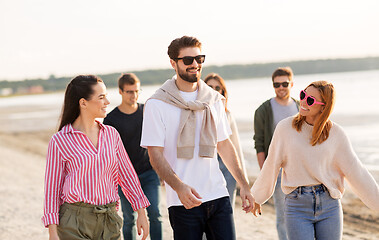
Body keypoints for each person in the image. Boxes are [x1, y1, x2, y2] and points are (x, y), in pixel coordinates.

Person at [140, 36, 255, 240]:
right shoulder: (157, 104)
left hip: (218, 195)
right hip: (183, 200)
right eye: (188, 60)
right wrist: (179, 187)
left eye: (199, 59)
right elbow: (155, 155)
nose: (195, 64)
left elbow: (224, 145)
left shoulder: (212, 99)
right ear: (173, 63)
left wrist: (244, 184)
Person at [251, 81, 379, 240]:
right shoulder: (285, 128)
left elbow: (356, 171)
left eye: (310, 100)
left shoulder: (336, 134)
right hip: (297, 206)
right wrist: (256, 197)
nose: (303, 102)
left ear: (323, 107)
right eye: (303, 95)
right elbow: (271, 164)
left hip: (329, 205)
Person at [42, 75, 150, 240]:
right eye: (101, 97)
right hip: (74, 221)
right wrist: (52, 231)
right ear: (83, 102)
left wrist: (141, 211)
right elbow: (52, 189)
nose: (107, 102)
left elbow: (127, 174)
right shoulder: (60, 141)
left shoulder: (111, 135)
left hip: (109, 219)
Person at [103, 73, 162, 240]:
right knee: (129, 219)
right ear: (120, 92)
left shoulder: (147, 111)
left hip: (149, 172)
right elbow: (109, 153)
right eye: (129, 91)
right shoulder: (111, 120)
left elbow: (159, 140)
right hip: (124, 178)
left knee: (155, 214)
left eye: (137, 91)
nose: (134, 95)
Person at [253, 67, 298, 240]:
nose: (281, 87)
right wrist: (265, 173)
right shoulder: (263, 110)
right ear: (273, 86)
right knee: (283, 213)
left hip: (301, 169)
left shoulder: (301, 107)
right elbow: (259, 143)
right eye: (277, 84)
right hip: (278, 169)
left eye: (285, 84)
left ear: (291, 84)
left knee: (301, 210)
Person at [204, 73, 247, 207]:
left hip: (227, 166)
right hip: (206, 166)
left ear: (222, 92)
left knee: (227, 208)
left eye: (217, 88)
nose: (213, 90)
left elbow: (235, 147)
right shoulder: (195, 113)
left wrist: (244, 181)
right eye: (210, 87)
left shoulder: (227, 115)